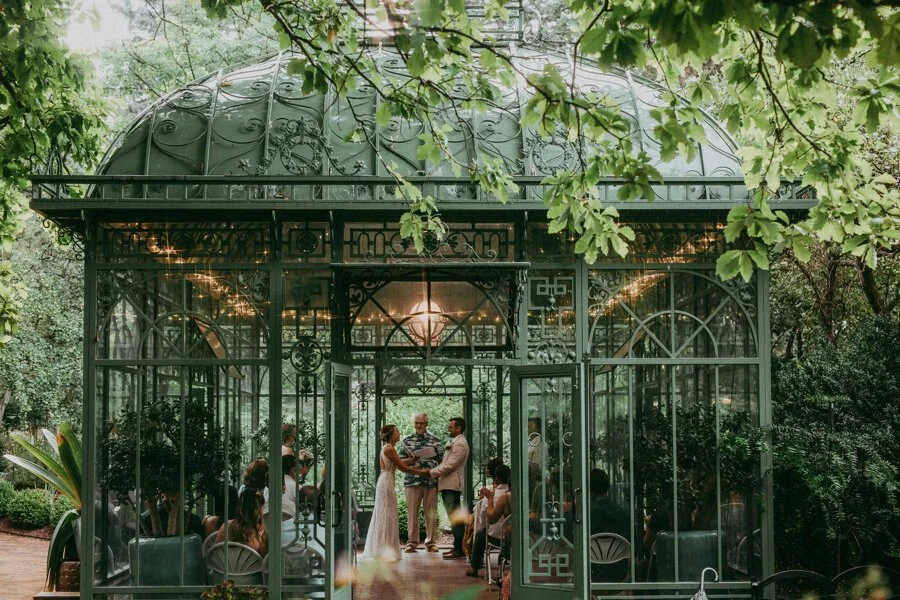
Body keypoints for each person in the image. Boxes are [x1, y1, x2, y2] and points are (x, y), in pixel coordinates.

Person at [361, 424, 420, 561]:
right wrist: (422, 472)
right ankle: (385, 549)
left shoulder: (388, 448)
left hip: (386, 480)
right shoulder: (389, 448)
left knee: (386, 513)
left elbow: (397, 462)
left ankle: (383, 547)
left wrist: (411, 460)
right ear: (392, 434)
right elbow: (402, 468)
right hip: (386, 482)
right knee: (387, 514)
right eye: (397, 431)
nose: (399, 433)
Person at [418, 416, 470, 559]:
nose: (448, 428)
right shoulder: (456, 441)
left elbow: (450, 465)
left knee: (455, 518)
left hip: (451, 485)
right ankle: (458, 548)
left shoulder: (460, 444)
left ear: (459, 428)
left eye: (451, 426)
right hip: (448, 484)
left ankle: (459, 549)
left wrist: (430, 472)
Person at [398, 412, 444, 553]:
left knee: (431, 513)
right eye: (417, 423)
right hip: (412, 482)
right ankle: (412, 542)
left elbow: (442, 461)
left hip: (430, 481)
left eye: (422, 423)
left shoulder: (435, 440)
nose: (419, 425)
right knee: (412, 513)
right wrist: (411, 460)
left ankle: (431, 543)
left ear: (426, 424)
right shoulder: (407, 441)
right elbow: (399, 461)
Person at [466, 463, 511, 578]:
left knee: (480, 534)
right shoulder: (517, 495)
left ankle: (474, 567)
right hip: (513, 538)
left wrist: (487, 499)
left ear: (496, 478)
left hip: (496, 538)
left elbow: (483, 520)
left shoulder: (492, 496)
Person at [216, 485, 268, 558]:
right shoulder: (261, 534)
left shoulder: (226, 526)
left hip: (225, 568)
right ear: (260, 509)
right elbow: (266, 560)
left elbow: (217, 553)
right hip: (253, 569)